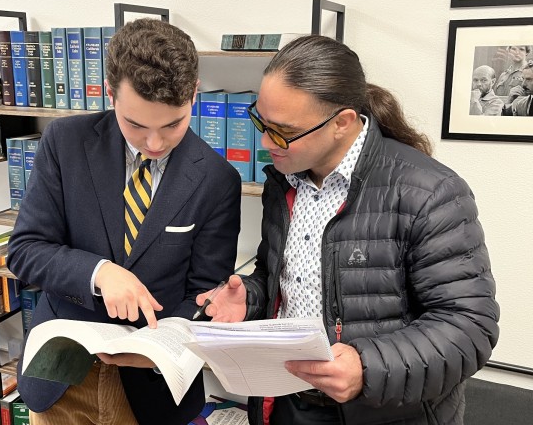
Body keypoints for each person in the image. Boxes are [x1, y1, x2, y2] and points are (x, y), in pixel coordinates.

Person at [197, 35, 499, 425]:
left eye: (283, 130)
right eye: (260, 121)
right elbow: (282, 279)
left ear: (342, 123)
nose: (265, 142)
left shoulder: (429, 192)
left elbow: (468, 326)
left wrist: (366, 367)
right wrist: (250, 299)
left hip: (385, 411)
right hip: (286, 400)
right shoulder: (284, 182)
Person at [7, 18, 242, 425]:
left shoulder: (217, 180)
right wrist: (98, 272)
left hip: (154, 386)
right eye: (136, 124)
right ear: (110, 94)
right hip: (62, 372)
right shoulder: (65, 142)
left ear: (194, 94)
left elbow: (205, 293)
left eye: (172, 124)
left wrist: (158, 348)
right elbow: (25, 250)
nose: (154, 144)